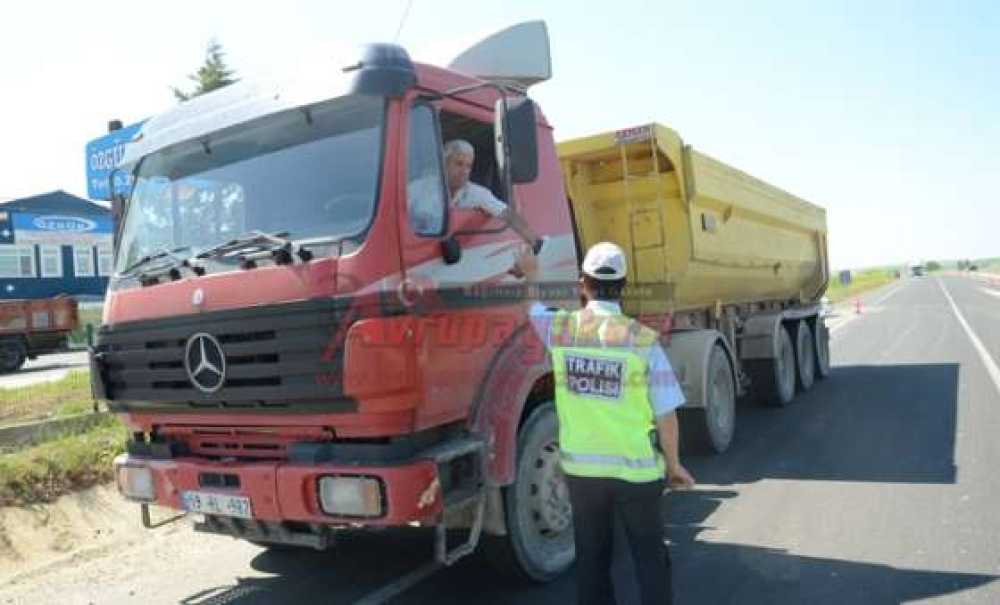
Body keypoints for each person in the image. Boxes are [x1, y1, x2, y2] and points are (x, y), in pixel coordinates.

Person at [514, 240, 695, 605]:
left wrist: (531, 274)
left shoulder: (561, 330)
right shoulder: (643, 342)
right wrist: (673, 466)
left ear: (583, 283)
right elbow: (666, 413)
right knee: (650, 560)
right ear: (623, 285)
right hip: (637, 473)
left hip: (583, 474)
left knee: (592, 562)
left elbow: (531, 308)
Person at [408, 139, 540, 248]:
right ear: (444, 164)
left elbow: (507, 214)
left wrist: (534, 241)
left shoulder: (475, 193)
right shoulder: (417, 189)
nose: (464, 171)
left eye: (468, 166)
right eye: (459, 164)